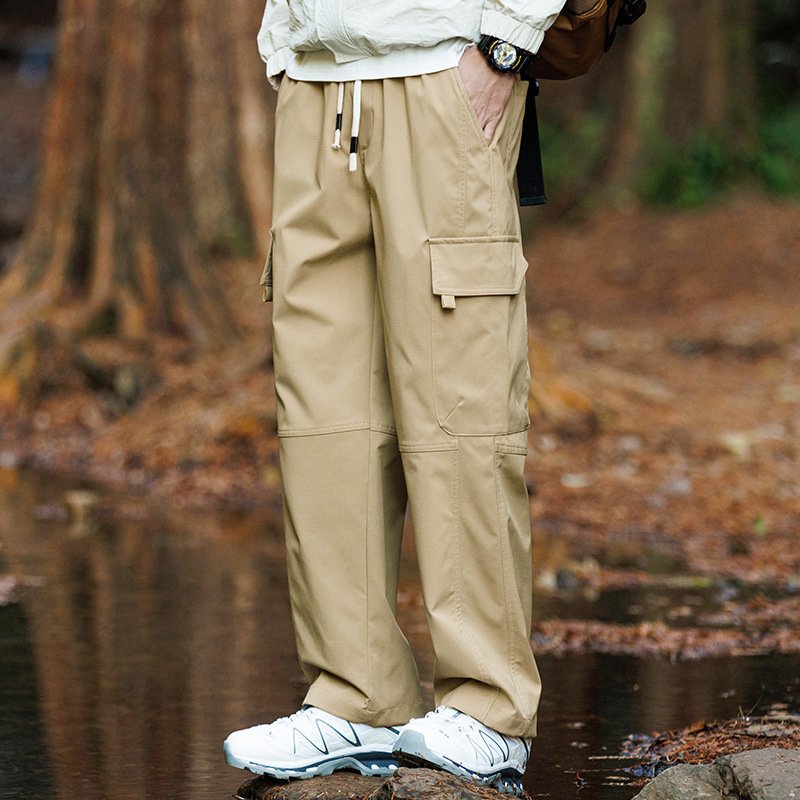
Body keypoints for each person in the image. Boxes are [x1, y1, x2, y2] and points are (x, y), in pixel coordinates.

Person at [225, 0, 567, 793]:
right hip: (316, 85)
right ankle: (356, 695)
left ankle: (490, 709)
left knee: (460, 408)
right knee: (324, 412)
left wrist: (505, 47)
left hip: (442, 76)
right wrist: (283, 43)